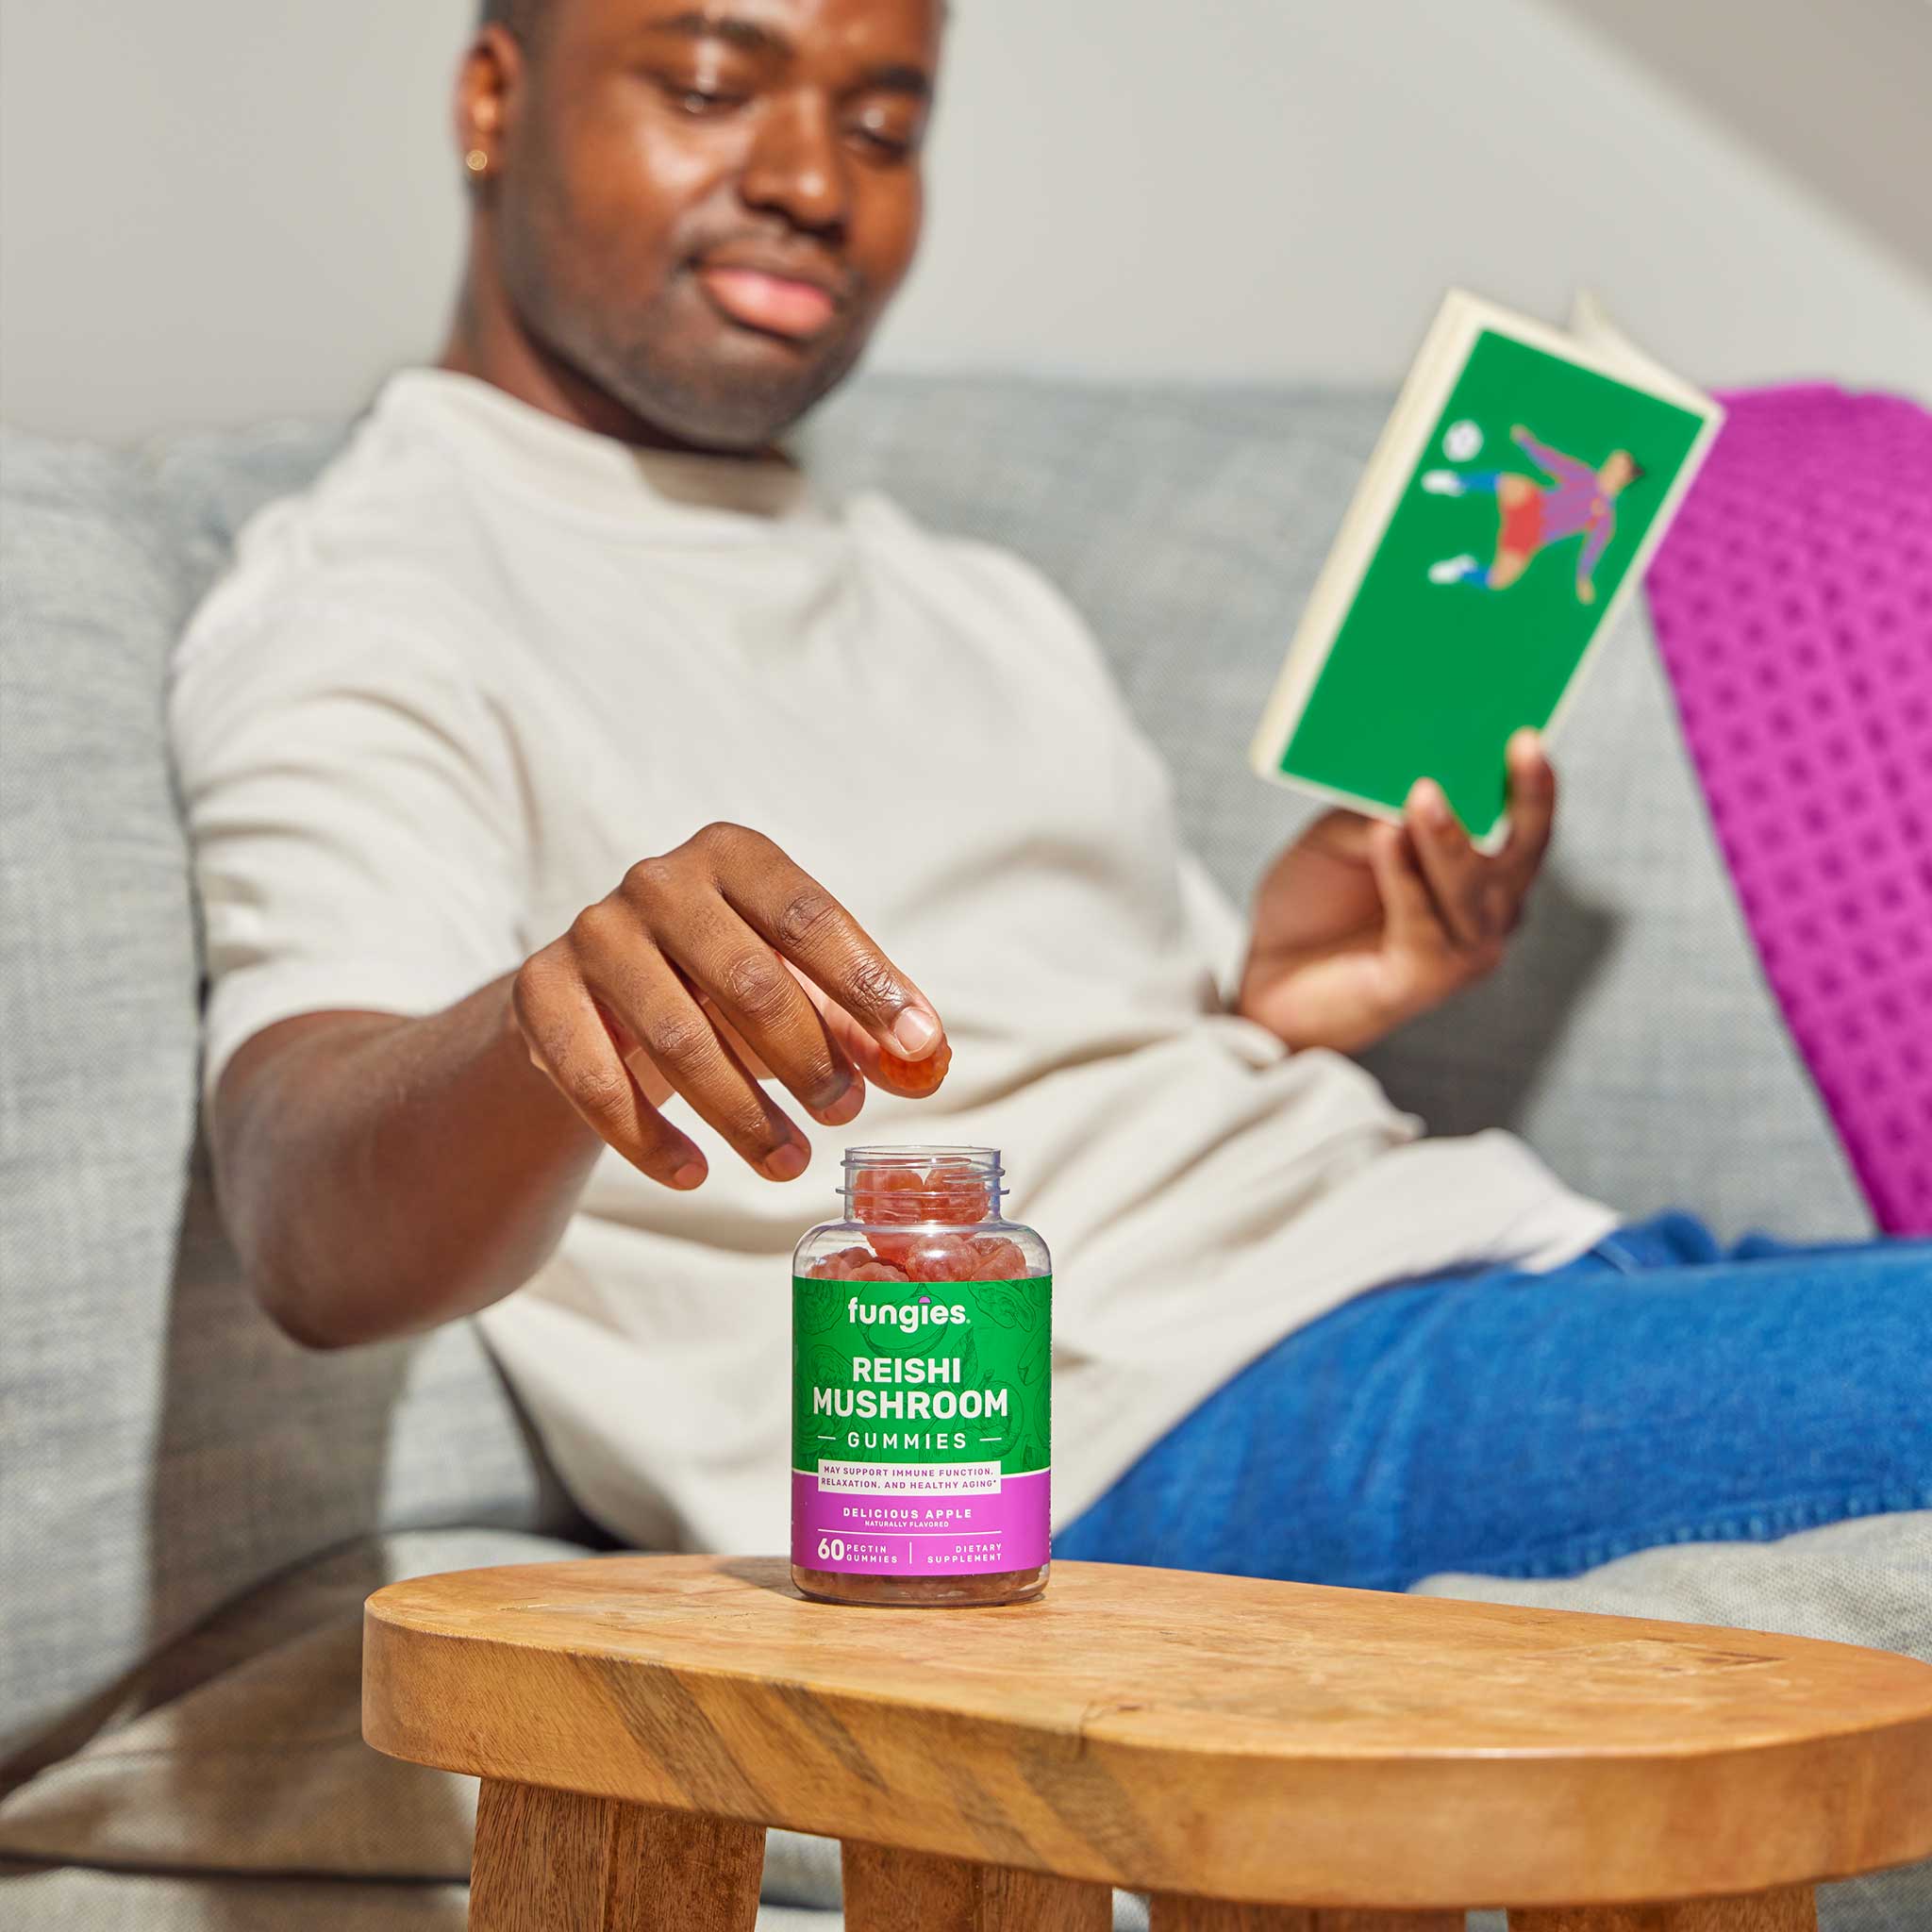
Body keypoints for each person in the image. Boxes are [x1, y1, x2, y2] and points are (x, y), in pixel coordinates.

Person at [169, 0, 1926, 1591]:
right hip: (1140, 1430)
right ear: (494, 97)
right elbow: (309, 1215)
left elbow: (1090, 1079)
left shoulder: (972, 599)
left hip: (1506, 1263)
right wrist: (551, 1027)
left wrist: (1272, 1003)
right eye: (712, 84)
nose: (804, 177)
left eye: (881, 123)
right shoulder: (372, 595)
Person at [1424, 426, 1641, 602]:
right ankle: (1457, 482)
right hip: (1531, 504)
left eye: (1615, 465)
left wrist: (1583, 577)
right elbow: (1554, 463)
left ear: (1624, 477)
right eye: (1610, 461)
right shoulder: (1585, 476)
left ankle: (1463, 569)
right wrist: (1526, 442)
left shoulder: (1605, 518)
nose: (1608, 466)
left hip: (1531, 536)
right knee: (1515, 484)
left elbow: (1594, 547)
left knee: (1500, 580)